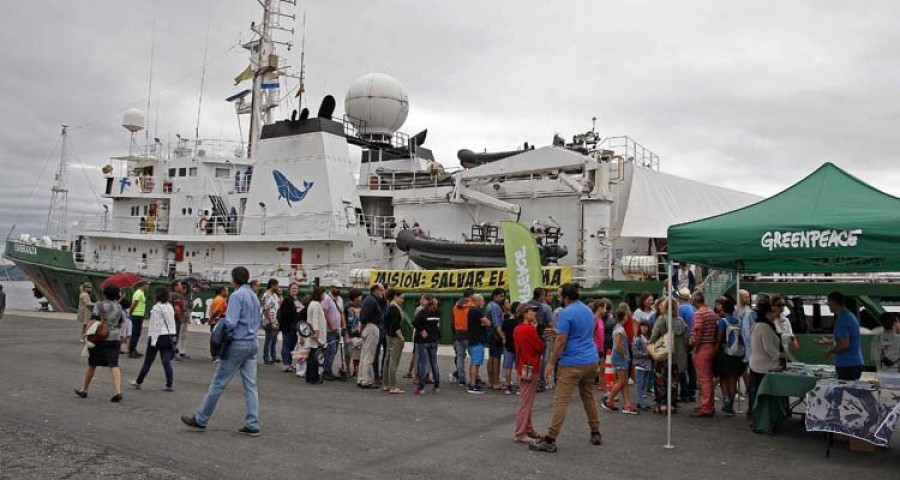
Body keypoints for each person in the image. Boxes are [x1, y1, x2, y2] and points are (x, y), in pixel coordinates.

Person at [182, 266, 262, 437]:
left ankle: (201, 419)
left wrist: (220, 328)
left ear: (234, 279)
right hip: (252, 343)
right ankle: (252, 422)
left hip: (238, 343)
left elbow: (231, 322)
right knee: (250, 385)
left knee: (218, 383)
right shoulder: (254, 296)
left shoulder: (236, 295)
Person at [530, 284, 602, 453]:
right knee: (589, 396)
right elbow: (581, 334)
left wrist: (551, 363)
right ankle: (595, 431)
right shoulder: (587, 310)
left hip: (572, 362)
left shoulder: (565, 313)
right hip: (591, 359)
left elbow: (561, 342)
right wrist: (559, 332)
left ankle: (551, 439)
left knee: (561, 400)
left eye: (560, 295)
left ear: (566, 297)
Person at [75, 285, 126, 402]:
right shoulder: (119, 306)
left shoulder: (99, 304)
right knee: (114, 365)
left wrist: (86, 332)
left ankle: (85, 389)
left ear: (104, 294)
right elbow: (121, 322)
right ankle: (118, 390)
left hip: (101, 337)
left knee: (92, 364)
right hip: (115, 338)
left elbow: (94, 319)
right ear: (117, 295)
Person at [131, 286, 177, 391]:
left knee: (148, 361)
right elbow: (171, 323)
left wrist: (153, 340)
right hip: (168, 336)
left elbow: (155, 325)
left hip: (157, 336)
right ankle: (169, 384)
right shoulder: (170, 306)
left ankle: (139, 381)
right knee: (166, 361)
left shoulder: (156, 308)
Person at [649, 297, 689, 414]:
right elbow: (686, 340)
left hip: (663, 355)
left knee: (660, 380)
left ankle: (662, 405)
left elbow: (654, 336)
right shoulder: (681, 321)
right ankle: (672, 405)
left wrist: (650, 344)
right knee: (673, 382)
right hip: (676, 357)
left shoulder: (661, 319)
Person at [748, 299, 784, 424]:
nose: (776, 314)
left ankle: (755, 416)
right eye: (773, 312)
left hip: (756, 364)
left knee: (755, 392)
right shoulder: (765, 327)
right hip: (763, 366)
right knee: (761, 394)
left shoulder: (757, 325)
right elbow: (768, 347)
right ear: (768, 313)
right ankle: (760, 418)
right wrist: (780, 355)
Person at [513, 303, 544, 444]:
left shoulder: (517, 329)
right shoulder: (530, 329)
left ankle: (528, 428)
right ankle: (520, 432)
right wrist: (535, 330)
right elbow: (540, 347)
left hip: (522, 366)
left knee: (526, 399)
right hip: (532, 366)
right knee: (526, 402)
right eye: (531, 311)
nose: (534, 313)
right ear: (524, 314)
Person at [689, 291, 719, 418]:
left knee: (704, 379)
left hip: (702, 347)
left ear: (695, 301)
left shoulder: (699, 314)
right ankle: (708, 404)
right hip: (711, 345)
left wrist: (695, 348)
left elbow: (698, 331)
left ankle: (706, 407)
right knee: (708, 377)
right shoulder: (711, 312)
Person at [824, 292, 864, 381]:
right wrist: (828, 341)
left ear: (834, 303)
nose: (828, 305)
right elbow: (845, 338)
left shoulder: (843, 319)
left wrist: (829, 352)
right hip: (853, 363)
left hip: (848, 365)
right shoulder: (849, 316)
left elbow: (844, 345)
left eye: (829, 302)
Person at [602, 309, 636, 414]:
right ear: (624, 317)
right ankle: (609, 400)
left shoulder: (617, 327)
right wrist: (624, 355)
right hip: (620, 357)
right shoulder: (620, 329)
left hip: (617, 357)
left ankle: (627, 404)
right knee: (621, 381)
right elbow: (619, 344)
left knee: (623, 381)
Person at [717, 298, 744, 416]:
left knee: (723, 376)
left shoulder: (723, 321)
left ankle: (726, 399)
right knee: (733, 378)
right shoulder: (739, 320)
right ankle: (731, 404)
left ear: (723, 309)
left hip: (726, 352)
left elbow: (719, 337)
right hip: (738, 353)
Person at [412, 297, 441, 395]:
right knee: (434, 363)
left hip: (423, 340)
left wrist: (421, 330)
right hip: (434, 339)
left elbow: (415, 322)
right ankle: (436, 386)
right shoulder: (437, 312)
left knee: (423, 364)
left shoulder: (423, 312)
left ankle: (421, 387)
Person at [529, 287, 555, 392]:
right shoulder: (546, 308)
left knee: (528, 358)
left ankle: (528, 381)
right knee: (544, 360)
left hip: (528, 336)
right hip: (543, 336)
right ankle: (541, 381)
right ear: (541, 296)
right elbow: (550, 323)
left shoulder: (525, 305)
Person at [358, 284, 384, 389]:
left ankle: (361, 378)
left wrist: (362, 328)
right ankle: (366, 380)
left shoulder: (369, 300)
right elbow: (364, 317)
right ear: (376, 290)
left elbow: (363, 316)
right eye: (381, 290)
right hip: (372, 327)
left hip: (368, 327)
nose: (382, 292)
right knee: (369, 355)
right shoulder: (372, 301)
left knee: (364, 354)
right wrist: (362, 327)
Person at [466, 294, 491, 394]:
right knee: (475, 363)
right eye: (482, 300)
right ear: (477, 301)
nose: (484, 303)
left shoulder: (471, 310)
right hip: (477, 340)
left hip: (473, 339)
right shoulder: (476, 311)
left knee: (473, 362)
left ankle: (473, 382)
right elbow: (488, 322)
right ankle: (472, 385)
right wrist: (484, 322)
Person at [382, 288, 406, 394]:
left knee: (387, 359)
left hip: (388, 336)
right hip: (395, 337)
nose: (402, 300)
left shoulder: (388, 306)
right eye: (401, 298)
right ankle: (393, 386)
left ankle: (386, 384)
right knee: (393, 361)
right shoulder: (395, 308)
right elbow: (396, 325)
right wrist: (401, 337)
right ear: (395, 297)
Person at [675, 287, 696, 403]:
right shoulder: (693, 308)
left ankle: (684, 392)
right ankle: (692, 392)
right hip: (692, 341)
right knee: (691, 368)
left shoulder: (680, 309)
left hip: (682, 342)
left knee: (682, 367)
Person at [321, 280, 345, 381]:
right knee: (331, 350)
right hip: (329, 330)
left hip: (337, 329)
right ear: (331, 288)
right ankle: (326, 371)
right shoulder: (326, 298)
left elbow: (341, 313)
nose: (338, 290)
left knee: (333, 351)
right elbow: (324, 313)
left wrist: (343, 326)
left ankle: (328, 370)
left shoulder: (340, 299)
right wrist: (331, 326)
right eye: (336, 288)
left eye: (339, 288)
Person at [451, 288, 475, 386]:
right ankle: (474, 377)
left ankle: (461, 378)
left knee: (460, 357)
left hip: (458, 333)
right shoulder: (472, 306)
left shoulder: (456, 306)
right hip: (469, 334)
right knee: (474, 357)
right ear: (471, 295)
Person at [304, 287, 328, 385]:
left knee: (312, 355)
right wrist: (316, 331)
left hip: (312, 332)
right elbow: (315, 319)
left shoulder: (312, 304)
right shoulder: (316, 305)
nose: (324, 296)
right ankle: (314, 376)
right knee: (315, 356)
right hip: (315, 334)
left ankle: (310, 376)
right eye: (322, 294)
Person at [278, 283, 303, 373]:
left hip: (296, 326)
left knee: (293, 345)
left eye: (296, 288)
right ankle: (286, 364)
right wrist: (296, 312)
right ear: (289, 290)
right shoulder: (287, 300)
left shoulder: (298, 299)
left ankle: (291, 363)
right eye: (293, 288)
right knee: (286, 345)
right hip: (288, 326)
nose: (294, 290)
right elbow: (285, 313)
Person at [486, 288, 507, 390]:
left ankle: (491, 381)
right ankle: (496, 382)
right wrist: (502, 336)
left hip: (490, 335)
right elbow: (497, 324)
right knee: (496, 359)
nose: (503, 298)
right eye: (501, 296)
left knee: (491, 357)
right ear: (495, 296)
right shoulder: (495, 307)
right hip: (495, 336)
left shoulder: (489, 305)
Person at [502, 301, 522, 395]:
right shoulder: (520, 322)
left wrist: (505, 340)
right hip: (519, 347)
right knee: (519, 367)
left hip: (508, 346)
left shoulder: (506, 321)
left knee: (508, 367)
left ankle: (508, 386)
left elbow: (503, 333)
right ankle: (519, 387)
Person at [633, 321, 653, 411]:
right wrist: (645, 354)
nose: (644, 328)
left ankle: (642, 402)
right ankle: (640, 403)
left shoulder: (649, 338)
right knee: (639, 384)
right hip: (640, 364)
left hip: (648, 365)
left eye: (646, 326)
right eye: (642, 326)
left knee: (645, 384)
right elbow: (635, 352)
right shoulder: (637, 339)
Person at [772, 296, 799, 361]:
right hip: (774, 354)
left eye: (783, 305)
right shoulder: (771, 321)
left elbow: (791, 334)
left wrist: (793, 340)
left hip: (784, 352)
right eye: (778, 305)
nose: (781, 307)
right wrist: (791, 337)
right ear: (773, 306)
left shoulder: (786, 320)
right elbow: (776, 337)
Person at [261, 279, 281, 365]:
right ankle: (266, 357)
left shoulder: (274, 295)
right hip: (269, 320)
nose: (277, 287)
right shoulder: (267, 295)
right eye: (276, 285)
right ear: (272, 285)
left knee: (274, 339)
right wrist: (271, 321)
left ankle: (273, 356)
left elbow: (280, 303)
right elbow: (266, 309)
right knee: (269, 339)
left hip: (275, 319)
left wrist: (280, 294)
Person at [127, 281, 149, 358]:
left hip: (139, 314)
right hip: (137, 314)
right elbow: (134, 303)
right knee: (135, 333)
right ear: (143, 285)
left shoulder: (141, 293)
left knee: (137, 333)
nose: (148, 286)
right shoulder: (138, 293)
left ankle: (133, 349)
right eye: (147, 284)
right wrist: (130, 312)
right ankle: (131, 351)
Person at [170, 280, 190, 360]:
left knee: (172, 336)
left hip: (171, 317)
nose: (181, 286)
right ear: (175, 287)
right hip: (176, 318)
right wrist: (181, 318)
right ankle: (173, 354)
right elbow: (177, 308)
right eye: (179, 285)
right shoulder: (177, 296)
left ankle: (171, 352)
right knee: (175, 336)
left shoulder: (170, 294)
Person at [592, 300, 607, 395]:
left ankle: (606, 392)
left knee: (602, 369)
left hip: (600, 348)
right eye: (604, 308)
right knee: (596, 370)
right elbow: (591, 334)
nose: (605, 310)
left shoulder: (600, 319)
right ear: (600, 308)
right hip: (595, 348)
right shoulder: (594, 319)